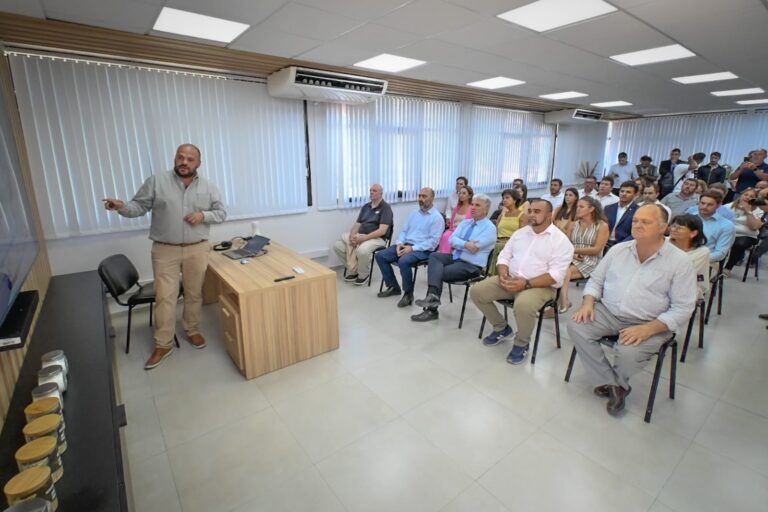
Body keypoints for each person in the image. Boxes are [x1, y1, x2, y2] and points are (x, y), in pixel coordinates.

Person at [103, 144, 226, 370]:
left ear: (198, 163)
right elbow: (137, 207)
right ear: (175, 159)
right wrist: (121, 206)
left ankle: (192, 330)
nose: (184, 162)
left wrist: (203, 215)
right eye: (181, 157)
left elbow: (221, 213)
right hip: (165, 249)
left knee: (194, 294)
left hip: (197, 248)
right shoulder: (156, 182)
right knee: (165, 297)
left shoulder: (209, 187)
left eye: (190, 159)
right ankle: (163, 344)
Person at [568, 204, 697, 416]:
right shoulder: (619, 250)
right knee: (577, 326)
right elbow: (596, 281)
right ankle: (615, 384)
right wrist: (588, 303)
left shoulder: (679, 261)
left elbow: (683, 308)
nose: (637, 225)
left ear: (663, 227)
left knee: (627, 353)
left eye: (645, 222)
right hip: (609, 312)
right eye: (636, 220)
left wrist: (648, 329)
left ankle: (613, 384)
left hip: (650, 321)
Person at [470, 199, 574, 365]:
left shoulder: (561, 241)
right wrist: (503, 274)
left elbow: (556, 275)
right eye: (530, 211)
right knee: (477, 292)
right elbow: (504, 256)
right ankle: (501, 328)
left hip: (541, 286)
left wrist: (526, 284)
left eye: (537, 211)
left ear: (549, 215)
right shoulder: (521, 233)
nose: (531, 214)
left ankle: (521, 343)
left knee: (523, 305)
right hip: (511, 279)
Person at [411, 195, 497, 322]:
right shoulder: (466, 223)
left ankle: (431, 310)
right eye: (472, 204)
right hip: (456, 257)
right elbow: (452, 240)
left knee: (438, 272)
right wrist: (466, 244)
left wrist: (461, 243)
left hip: (471, 265)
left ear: (486, 209)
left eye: (477, 205)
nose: (472, 207)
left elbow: (475, 247)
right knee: (434, 256)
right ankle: (433, 297)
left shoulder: (490, 228)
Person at [375, 188, 443, 307]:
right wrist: (400, 243)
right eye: (420, 196)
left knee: (404, 261)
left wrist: (412, 248)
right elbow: (404, 231)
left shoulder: (437, 218)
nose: (421, 199)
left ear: (432, 199)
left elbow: (433, 243)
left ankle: (408, 294)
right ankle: (393, 287)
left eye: (424, 196)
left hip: (423, 250)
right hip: (406, 244)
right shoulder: (414, 213)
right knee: (381, 255)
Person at [556, 196, 609, 314]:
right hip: (572, 258)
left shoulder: (602, 226)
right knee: (556, 270)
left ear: (591, 209)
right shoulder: (573, 224)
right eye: (577, 206)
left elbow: (597, 250)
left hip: (591, 260)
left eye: (581, 206)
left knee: (563, 271)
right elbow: (567, 245)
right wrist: (573, 254)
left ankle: (562, 301)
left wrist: (574, 251)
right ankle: (562, 301)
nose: (578, 209)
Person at [335, 184, 393, 285]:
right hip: (361, 235)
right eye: (370, 190)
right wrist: (352, 236)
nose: (371, 192)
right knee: (338, 246)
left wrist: (363, 238)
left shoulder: (386, 208)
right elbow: (357, 224)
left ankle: (363, 274)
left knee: (362, 250)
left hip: (377, 238)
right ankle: (354, 270)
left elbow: (382, 231)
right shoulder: (366, 207)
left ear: (381, 193)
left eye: (374, 191)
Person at [723, 188, 765, 275]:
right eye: (746, 195)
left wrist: (748, 212)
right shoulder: (729, 206)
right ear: (741, 196)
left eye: (751, 196)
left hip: (747, 236)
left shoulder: (758, 210)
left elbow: (754, 227)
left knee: (740, 243)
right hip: (728, 233)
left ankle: (728, 268)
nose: (747, 197)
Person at [669, 214, 711, 300]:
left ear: (693, 233)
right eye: (673, 226)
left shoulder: (702, 252)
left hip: (685, 287)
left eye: (679, 228)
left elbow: (683, 275)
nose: (674, 230)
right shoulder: (662, 242)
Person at [489, 188, 527, 275]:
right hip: (498, 244)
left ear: (514, 200)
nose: (504, 200)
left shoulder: (522, 215)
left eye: (507, 198)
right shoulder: (502, 215)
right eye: (503, 198)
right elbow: (496, 231)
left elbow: (522, 236)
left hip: (512, 246)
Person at [693, 190, 736, 263]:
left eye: (710, 204)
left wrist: (695, 260)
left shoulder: (727, 225)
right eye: (702, 203)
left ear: (719, 205)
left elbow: (720, 253)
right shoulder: (688, 217)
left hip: (707, 262)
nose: (704, 207)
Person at [604, 181, 639, 250]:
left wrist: (620, 246)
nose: (624, 194)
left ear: (635, 195)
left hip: (624, 245)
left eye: (628, 192)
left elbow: (635, 232)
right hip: (604, 243)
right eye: (622, 191)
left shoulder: (638, 211)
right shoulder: (608, 208)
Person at [438, 185, 473, 253]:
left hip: (463, 231)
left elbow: (471, 225)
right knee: (445, 235)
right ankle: (443, 255)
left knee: (449, 237)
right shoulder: (457, 208)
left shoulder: (472, 209)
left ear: (469, 196)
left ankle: (449, 256)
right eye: (460, 193)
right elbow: (452, 223)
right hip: (453, 230)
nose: (461, 195)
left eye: (464, 193)